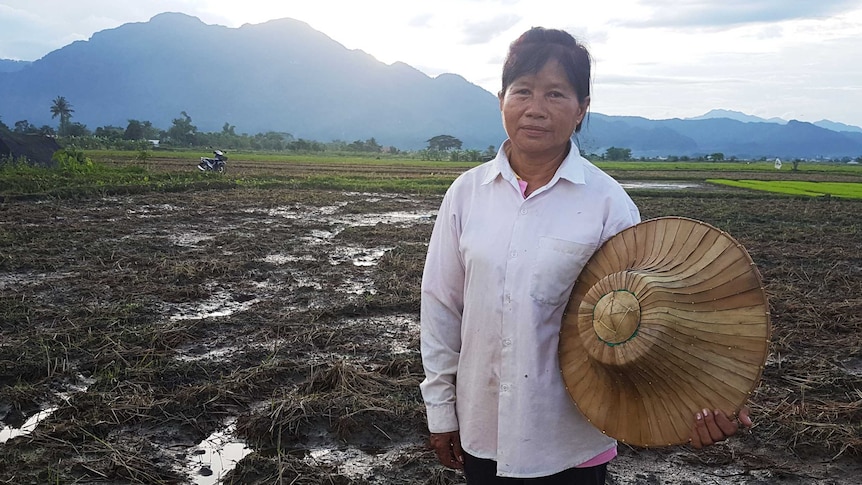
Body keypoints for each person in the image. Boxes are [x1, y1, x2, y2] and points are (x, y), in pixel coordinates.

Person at [419, 27, 752, 484]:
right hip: (483, 431)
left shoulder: (608, 203)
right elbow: (441, 307)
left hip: (572, 441)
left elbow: (654, 315)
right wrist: (441, 410)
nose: (536, 108)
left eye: (556, 94)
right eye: (523, 91)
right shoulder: (466, 194)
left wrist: (705, 396)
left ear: (581, 109)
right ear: (501, 100)